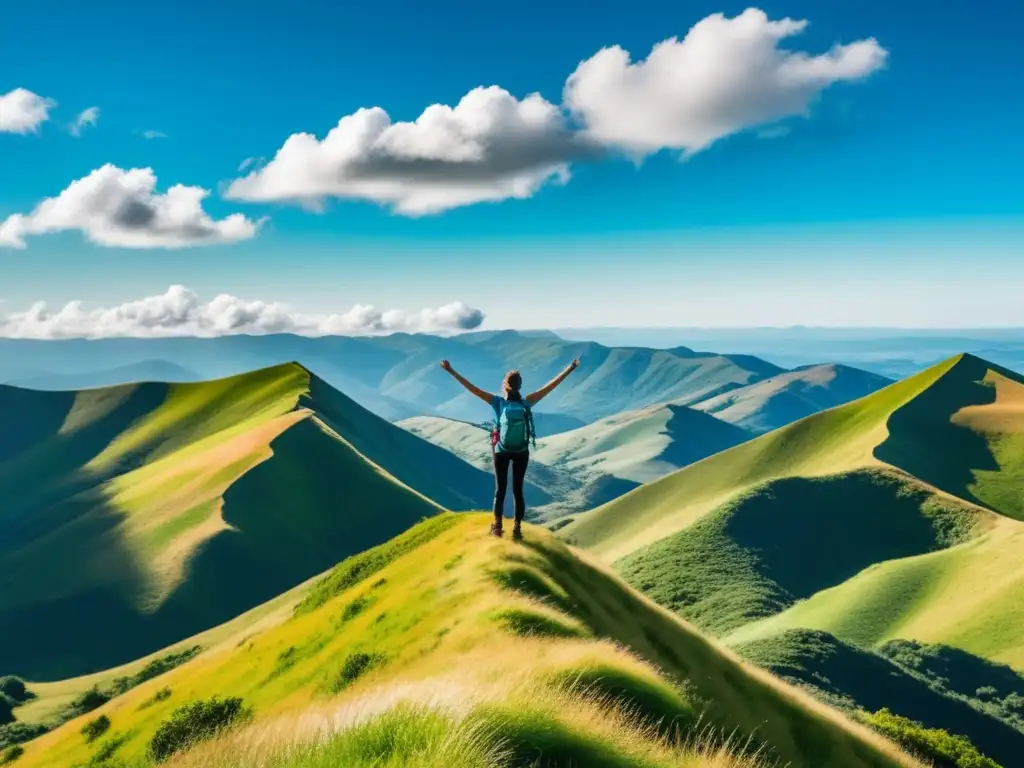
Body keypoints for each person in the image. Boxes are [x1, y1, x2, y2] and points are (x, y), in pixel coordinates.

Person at [440, 357, 580, 539]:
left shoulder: (497, 402)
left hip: (502, 449)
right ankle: (517, 528)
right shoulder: (527, 402)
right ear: (520, 386)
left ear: (505, 385)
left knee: (500, 489)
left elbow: (472, 389)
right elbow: (552, 386)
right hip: (521, 449)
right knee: (518, 490)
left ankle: (497, 527)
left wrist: (451, 371)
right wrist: (571, 368)